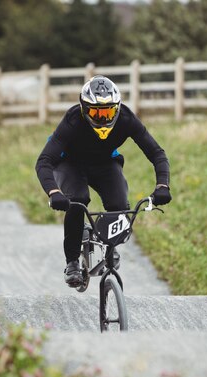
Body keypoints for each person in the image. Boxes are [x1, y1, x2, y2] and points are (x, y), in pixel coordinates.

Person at [35, 75, 171, 288]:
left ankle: (110, 248)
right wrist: (54, 192)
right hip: (70, 163)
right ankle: (72, 262)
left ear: (117, 109)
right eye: (96, 112)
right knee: (77, 200)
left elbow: (157, 153)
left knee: (119, 206)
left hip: (104, 162)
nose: (102, 119)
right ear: (83, 108)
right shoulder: (72, 120)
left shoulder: (126, 119)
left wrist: (162, 186)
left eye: (107, 112)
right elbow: (44, 161)